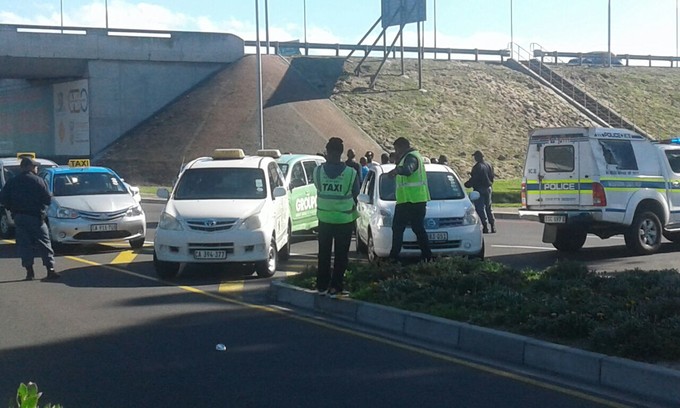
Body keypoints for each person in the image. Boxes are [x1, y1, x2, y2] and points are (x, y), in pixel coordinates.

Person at [313, 137, 360, 298]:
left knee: (323, 253)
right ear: (341, 153)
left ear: (327, 152)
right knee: (341, 256)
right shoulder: (351, 173)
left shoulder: (318, 171)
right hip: (344, 220)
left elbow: (318, 188)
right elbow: (356, 193)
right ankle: (336, 286)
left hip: (324, 219)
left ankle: (321, 286)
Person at [0, 157, 59, 281]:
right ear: (29, 167)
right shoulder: (39, 181)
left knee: (24, 244)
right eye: (35, 166)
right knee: (44, 243)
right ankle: (50, 269)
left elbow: (4, 199)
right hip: (36, 217)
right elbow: (47, 199)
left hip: (19, 217)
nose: (36, 168)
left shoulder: (12, 182)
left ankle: (29, 271)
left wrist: (12, 209)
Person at [387, 137, 432, 262]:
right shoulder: (412, 156)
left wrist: (396, 170)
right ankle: (427, 256)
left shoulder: (411, 157)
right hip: (414, 200)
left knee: (398, 228)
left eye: (397, 149)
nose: (396, 152)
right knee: (417, 228)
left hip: (410, 201)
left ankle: (394, 257)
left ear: (402, 147)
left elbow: (408, 170)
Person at [465, 150, 496, 234]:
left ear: (478, 157)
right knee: (488, 207)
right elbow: (492, 177)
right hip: (488, 188)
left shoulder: (477, 167)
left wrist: (467, 184)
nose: (474, 158)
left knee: (480, 208)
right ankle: (493, 225)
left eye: (475, 156)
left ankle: (485, 226)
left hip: (479, 189)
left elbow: (474, 179)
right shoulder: (489, 165)